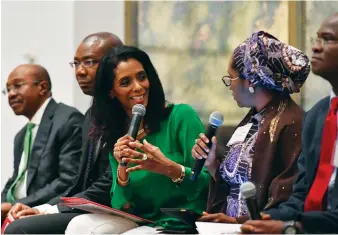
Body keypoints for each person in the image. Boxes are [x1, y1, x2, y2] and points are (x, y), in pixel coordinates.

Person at [64, 45, 209, 234]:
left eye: (141, 77)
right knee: (79, 226)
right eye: (125, 82)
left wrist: (168, 168)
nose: (139, 87)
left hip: (179, 221)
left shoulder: (181, 116)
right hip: (141, 220)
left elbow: (206, 184)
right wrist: (121, 169)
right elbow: (121, 204)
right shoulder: (119, 134)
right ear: (111, 92)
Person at [3, 32, 123, 234]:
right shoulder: (92, 116)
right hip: (85, 204)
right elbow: (79, 183)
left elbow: (81, 181)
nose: (80, 71)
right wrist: (41, 209)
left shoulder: (73, 119)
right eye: (76, 64)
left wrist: (48, 208)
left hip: (114, 208)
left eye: (89, 62)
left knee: (18, 228)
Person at [192, 31, 310, 224]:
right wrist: (212, 164)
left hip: (258, 229)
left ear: (251, 80)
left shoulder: (292, 122)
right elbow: (233, 185)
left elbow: (286, 197)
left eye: (231, 78)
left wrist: (239, 222)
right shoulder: (253, 118)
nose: (229, 86)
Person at [240, 13, 338, 234]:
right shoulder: (317, 116)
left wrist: (291, 228)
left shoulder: (292, 118)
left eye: (328, 39)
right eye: (316, 39)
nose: (315, 48)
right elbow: (300, 197)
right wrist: (250, 220)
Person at [1, 64, 84, 223]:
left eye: (17, 86)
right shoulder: (21, 136)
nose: (11, 94)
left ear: (42, 87)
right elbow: (15, 180)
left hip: (44, 209)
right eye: (7, 90)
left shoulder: (68, 119)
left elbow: (68, 181)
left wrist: (16, 204)